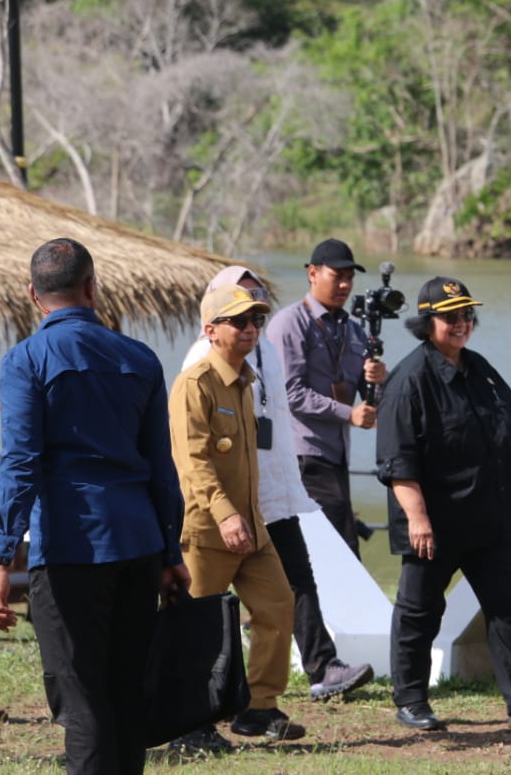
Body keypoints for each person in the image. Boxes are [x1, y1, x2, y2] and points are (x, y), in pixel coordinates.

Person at [0, 238, 189, 774]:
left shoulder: (25, 360)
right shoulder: (140, 359)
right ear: (92, 288)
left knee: (82, 700)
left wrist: (0, 558)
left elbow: (20, 464)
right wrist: (170, 552)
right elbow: (162, 468)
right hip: (139, 545)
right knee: (125, 692)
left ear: (33, 294)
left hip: (71, 549)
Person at [375, 276, 511, 731]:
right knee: (420, 611)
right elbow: (397, 461)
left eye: (467, 315)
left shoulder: (481, 368)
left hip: (492, 516)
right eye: (450, 317)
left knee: (509, 610)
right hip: (435, 519)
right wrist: (417, 517)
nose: (461, 324)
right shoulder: (408, 381)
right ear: (427, 321)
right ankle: (411, 699)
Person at [182, 266, 374, 703]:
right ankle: (193, 702)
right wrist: (223, 509)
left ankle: (307, 676)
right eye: (240, 309)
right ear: (214, 318)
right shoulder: (200, 364)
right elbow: (194, 452)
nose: (250, 319)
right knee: (203, 607)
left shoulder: (263, 348)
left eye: (257, 309)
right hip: (226, 504)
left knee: (292, 588)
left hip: (274, 491)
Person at [169, 285, 304, 749]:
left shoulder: (247, 381)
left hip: (251, 524)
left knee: (278, 606)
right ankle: (189, 725)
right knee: (197, 627)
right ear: (210, 330)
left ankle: (259, 708)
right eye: (239, 322)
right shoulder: (195, 383)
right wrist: (226, 515)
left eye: (256, 322)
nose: (250, 330)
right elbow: (194, 463)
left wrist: (248, 516)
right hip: (208, 528)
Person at [267, 238, 386, 559]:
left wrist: (379, 382)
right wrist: (349, 414)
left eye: (350, 277)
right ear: (312, 273)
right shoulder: (290, 323)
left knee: (332, 554)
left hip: (336, 457)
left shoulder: (353, 331)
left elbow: (371, 399)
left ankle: (315, 610)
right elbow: (290, 394)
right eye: (338, 276)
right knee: (339, 553)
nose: (345, 285)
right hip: (302, 457)